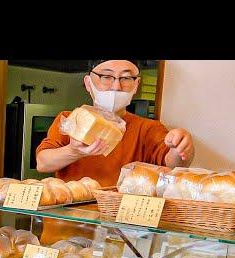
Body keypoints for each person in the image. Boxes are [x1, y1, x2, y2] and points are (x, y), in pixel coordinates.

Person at [36, 60, 195, 186]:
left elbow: (171, 163)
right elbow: (43, 163)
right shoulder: (71, 119)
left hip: (120, 221)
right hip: (69, 221)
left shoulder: (147, 128)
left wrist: (180, 147)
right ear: (89, 83)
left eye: (125, 78)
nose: (116, 86)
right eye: (106, 77)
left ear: (136, 85)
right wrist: (74, 151)